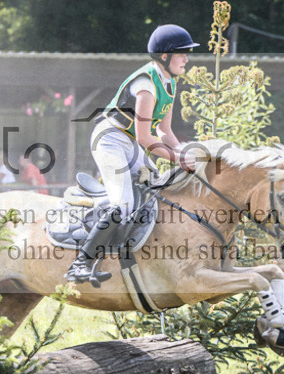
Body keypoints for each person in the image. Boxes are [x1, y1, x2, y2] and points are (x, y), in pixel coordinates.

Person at [66, 24, 199, 285]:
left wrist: (184, 152)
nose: (186, 58)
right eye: (181, 53)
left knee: (160, 188)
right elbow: (145, 137)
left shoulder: (169, 83)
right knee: (123, 204)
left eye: (187, 53)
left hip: (130, 143)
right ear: (164, 56)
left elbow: (164, 130)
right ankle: (80, 263)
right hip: (111, 140)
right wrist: (177, 159)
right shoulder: (146, 85)